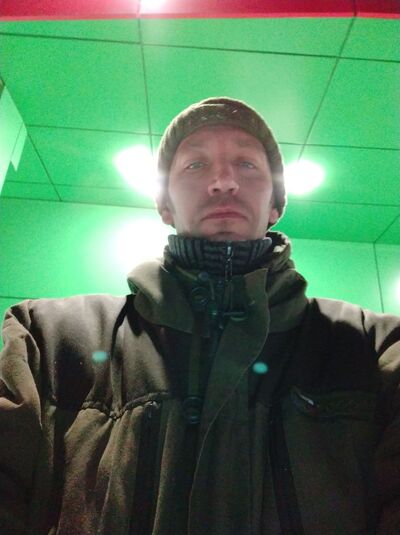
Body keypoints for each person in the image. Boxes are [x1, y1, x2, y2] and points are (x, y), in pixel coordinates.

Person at [0, 97, 399, 535]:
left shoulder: (375, 346)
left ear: (275, 204)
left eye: (246, 164)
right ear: (165, 205)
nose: (223, 182)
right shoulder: (49, 338)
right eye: (195, 165)